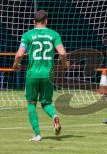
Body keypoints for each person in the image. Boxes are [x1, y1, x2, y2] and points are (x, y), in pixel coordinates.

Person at [13, 10, 69, 142]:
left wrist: (16, 64)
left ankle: (37, 134)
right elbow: (62, 53)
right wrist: (65, 64)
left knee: (31, 102)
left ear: (34, 21)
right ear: (46, 21)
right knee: (46, 103)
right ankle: (54, 115)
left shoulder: (27, 35)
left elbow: (20, 54)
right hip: (48, 74)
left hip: (32, 74)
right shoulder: (54, 34)